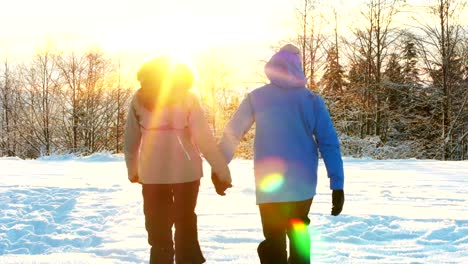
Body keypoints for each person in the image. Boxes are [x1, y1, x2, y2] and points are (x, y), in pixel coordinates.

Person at [212, 44, 345, 264]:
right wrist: (337, 184)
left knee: (273, 239)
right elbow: (329, 143)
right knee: (299, 234)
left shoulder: (256, 98)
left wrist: (219, 168)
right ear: (298, 67)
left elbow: (233, 133)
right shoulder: (312, 101)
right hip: (302, 185)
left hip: (269, 183)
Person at [124, 57, 232, 264]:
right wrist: (222, 171)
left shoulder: (138, 99)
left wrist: (133, 170)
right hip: (187, 172)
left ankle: (160, 259)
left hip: (152, 174)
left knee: (157, 224)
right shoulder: (188, 98)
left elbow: (131, 140)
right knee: (185, 221)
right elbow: (204, 140)